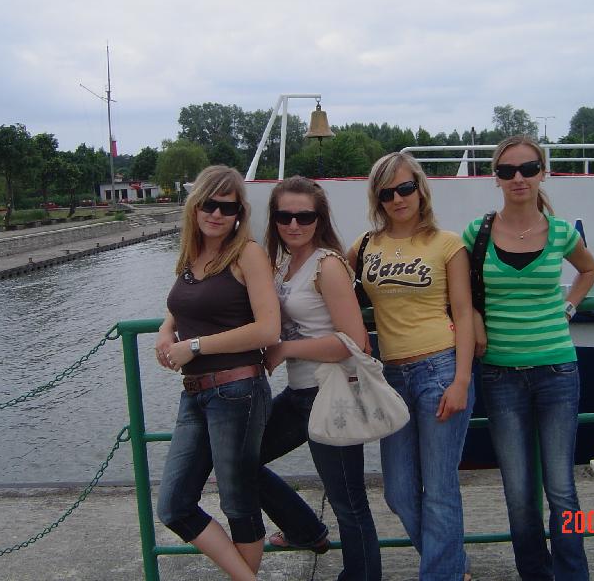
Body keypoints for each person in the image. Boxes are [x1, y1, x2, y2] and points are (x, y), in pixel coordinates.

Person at [462, 136, 594, 581]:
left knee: (562, 489)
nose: (518, 178)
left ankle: (573, 574)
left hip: (557, 369)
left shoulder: (561, 232)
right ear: (496, 178)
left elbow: (589, 269)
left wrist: (569, 306)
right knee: (519, 493)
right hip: (500, 373)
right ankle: (535, 574)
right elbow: (461, 293)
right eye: (507, 171)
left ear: (543, 173)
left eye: (527, 169)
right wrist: (476, 320)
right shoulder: (477, 233)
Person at [348, 152, 475, 581]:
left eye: (405, 188)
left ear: (420, 189)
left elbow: (463, 312)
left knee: (439, 489)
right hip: (391, 378)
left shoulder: (447, 243)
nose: (398, 199)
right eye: (387, 193)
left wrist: (461, 381)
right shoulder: (365, 246)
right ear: (377, 199)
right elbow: (328, 281)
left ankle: (443, 574)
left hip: (440, 369)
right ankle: (452, 565)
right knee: (399, 492)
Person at [155, 165, 280, 580]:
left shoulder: (248, 254)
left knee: (238, 502)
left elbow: (269, 329)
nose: (216, 214)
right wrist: (166, 329)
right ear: (195, 206)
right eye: (209, 204)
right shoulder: (191, 254)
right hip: (195, 393)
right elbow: (183, 302)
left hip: (237, 390)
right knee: (174, 505)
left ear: (239, 213)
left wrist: (193, 346)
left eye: (228, 208)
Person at [259, 176, 382, 581]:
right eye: (285, 216)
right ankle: (304, 529)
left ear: (320, 218)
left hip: (330, 393)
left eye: (305, 216)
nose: (294, 224)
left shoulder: (327, 265)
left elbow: (355, 342)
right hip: (299, 394)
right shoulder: (283, 264)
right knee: (239, 461)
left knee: (349, 502)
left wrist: (285, 349)